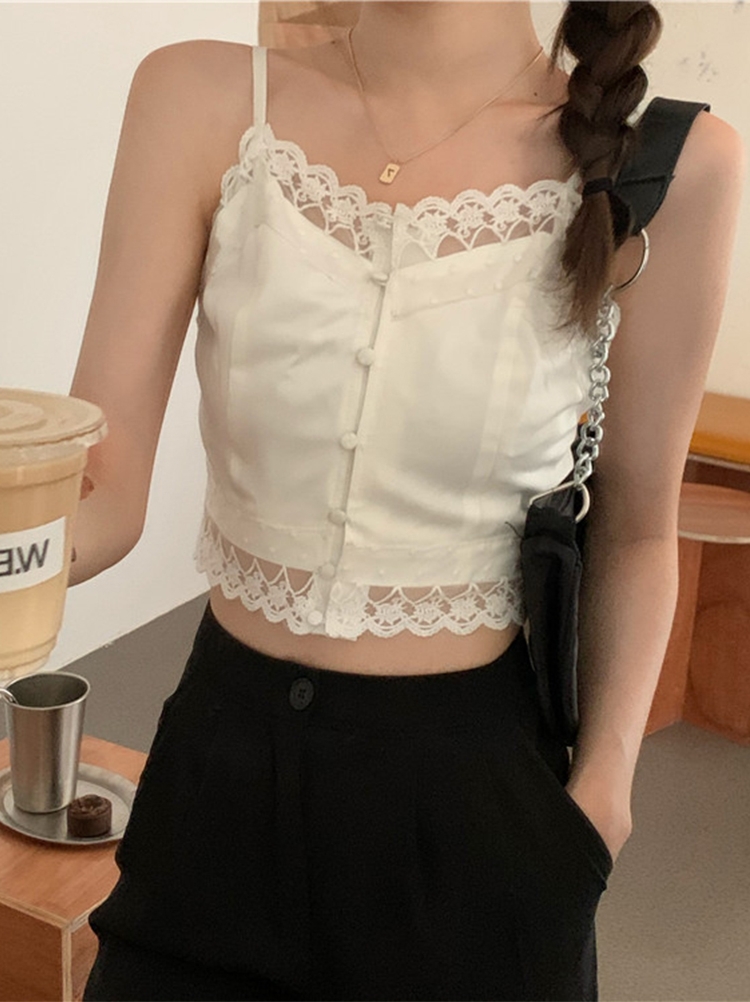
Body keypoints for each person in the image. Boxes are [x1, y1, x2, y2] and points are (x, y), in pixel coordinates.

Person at [68, 2, 744, 1000]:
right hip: (217, 776)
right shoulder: (198, 98)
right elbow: (97, 498)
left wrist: (602, 793)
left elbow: (637, 525)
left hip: (479, 811)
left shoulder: (673, 163)